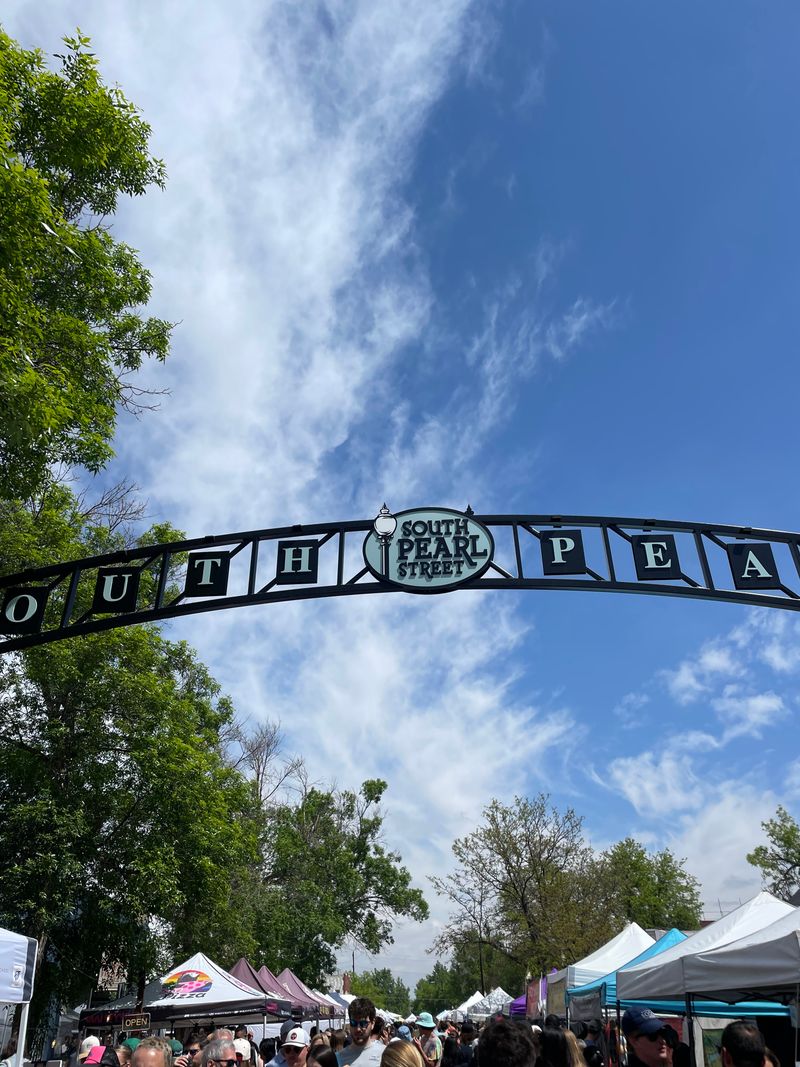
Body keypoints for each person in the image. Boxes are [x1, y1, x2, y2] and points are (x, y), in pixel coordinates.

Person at [338, 999, 384, 1067]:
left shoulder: (384, 1054)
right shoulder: (338, 1057)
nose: (358, 1029)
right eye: (353, 1023)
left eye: (363, 1023)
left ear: (373, 1024)